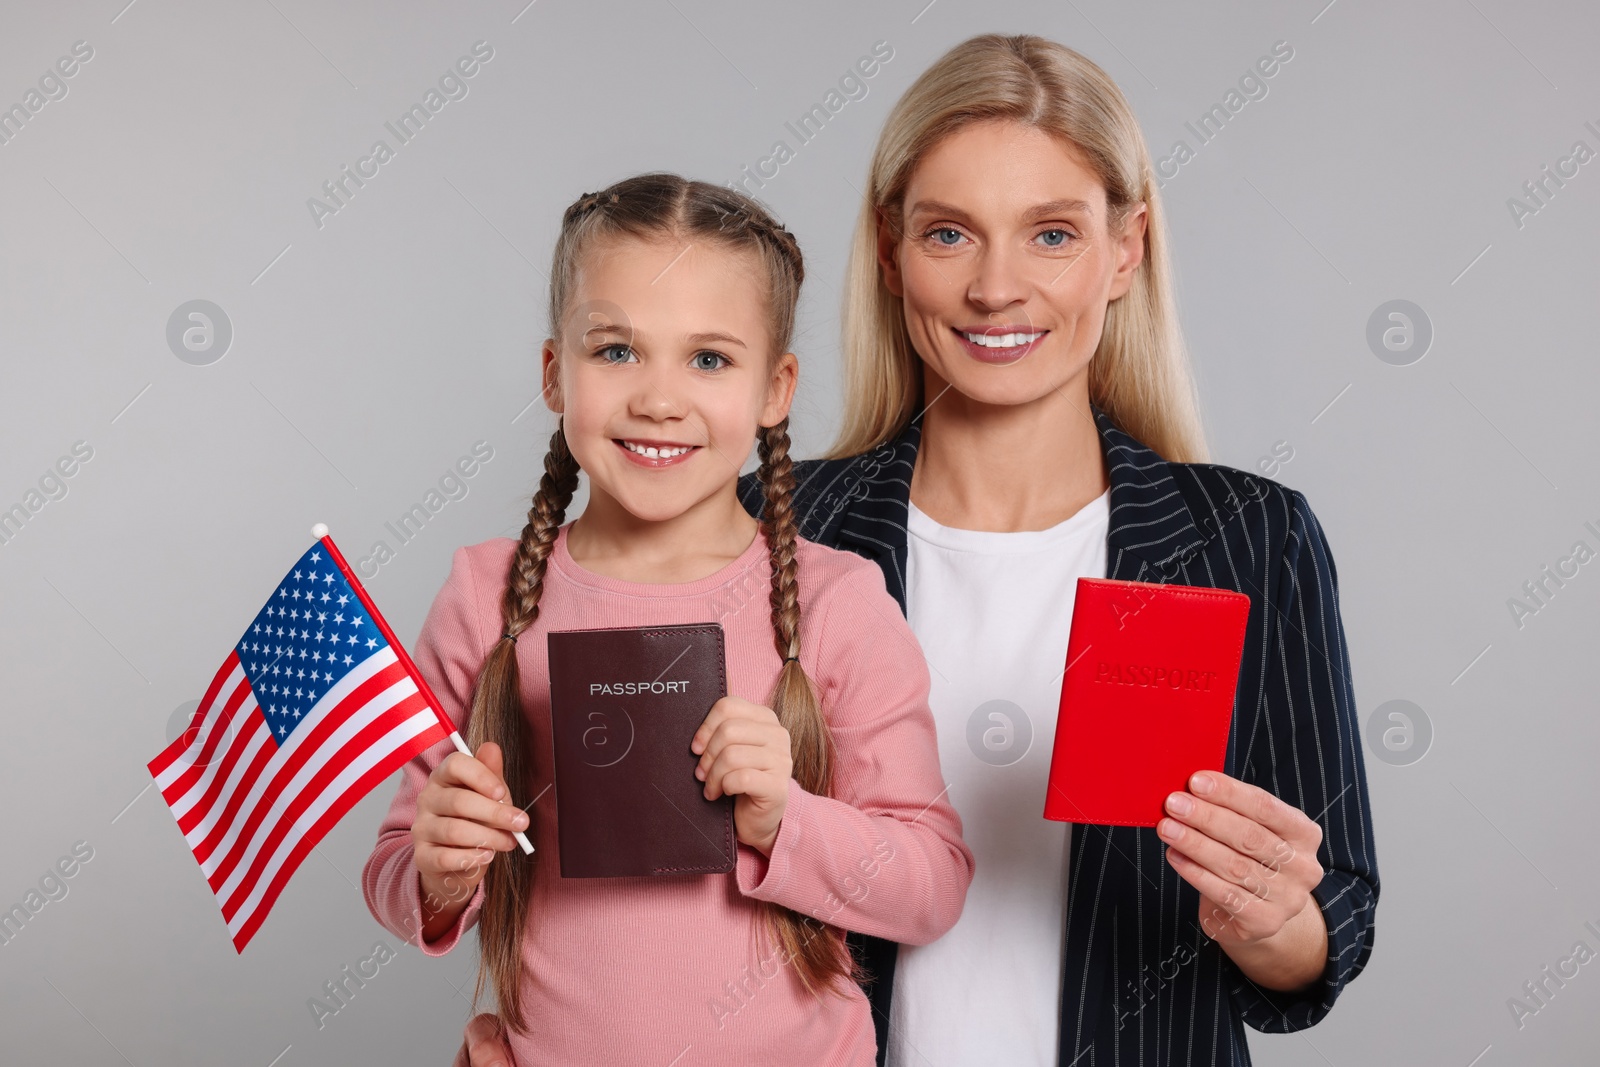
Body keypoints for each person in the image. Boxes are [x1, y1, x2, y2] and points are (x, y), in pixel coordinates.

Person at [461, 32, 1379, 1067]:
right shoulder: (773, 526)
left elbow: (1334, 913)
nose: (996, 287)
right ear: (890, 250)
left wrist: (1274, 923)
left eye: (1051, 235)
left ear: (1126, 249)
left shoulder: (1248, 538)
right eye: (949, 235)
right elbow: (624, 882)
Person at [362, 173, 974, 1067]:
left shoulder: (838, 600)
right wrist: (439, 867)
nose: (657, 397)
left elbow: (932, 885)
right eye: (616, 351)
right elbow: (391, 867)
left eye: (710, 359)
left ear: (777, 388)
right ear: (552, 372)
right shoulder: (486, 596)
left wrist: (783, 819)